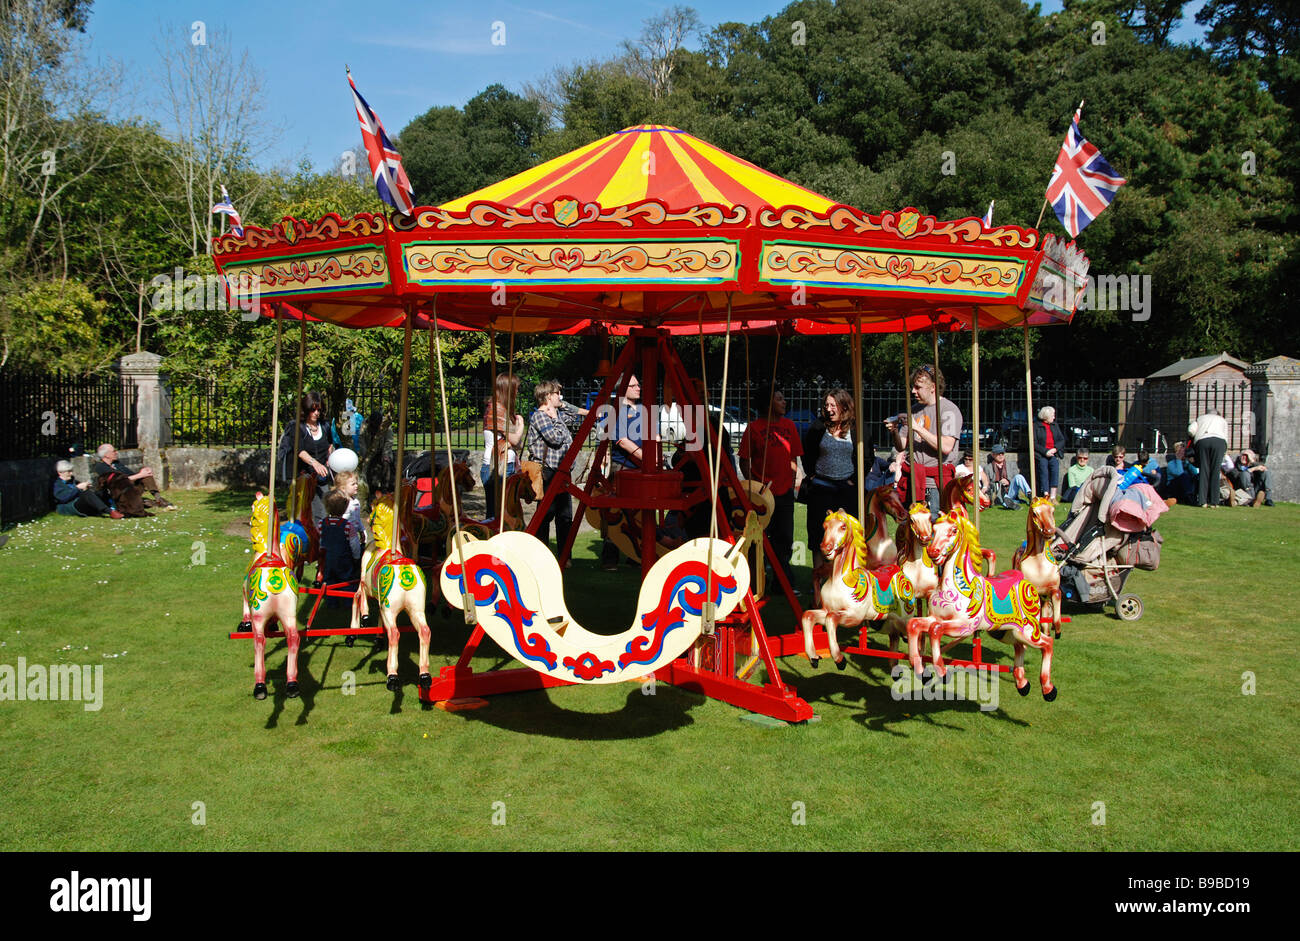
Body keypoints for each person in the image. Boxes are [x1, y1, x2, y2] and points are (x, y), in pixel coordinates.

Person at [739, 385, 803, 593]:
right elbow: (744, 460)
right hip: (762, 495)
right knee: (759, 539)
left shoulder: (790, 426)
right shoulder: (754, 428)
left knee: (784, 538)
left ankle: (782, 583)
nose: (784, 402)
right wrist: (754, 485)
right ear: (768, 403)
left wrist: (792, 480)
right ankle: (757, 582)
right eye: (779, 399)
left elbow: (793, 458)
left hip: (784, 492)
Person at [886, 364, 960, 516]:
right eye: (913, 387)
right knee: (911, 531)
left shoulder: (948, 410)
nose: (913, 391)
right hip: (914, 481)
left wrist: (918, 428)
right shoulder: (914, 410)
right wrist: (893, 431)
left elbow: (946, 446)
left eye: (918, 387)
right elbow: (902, 446)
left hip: (935, 485)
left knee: (933, 531)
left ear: (932, 387)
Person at [802, 388, 859, 585]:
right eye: (826, 405)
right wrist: (811, 474)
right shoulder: (819, 427)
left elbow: (866, 455)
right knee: (819, 535)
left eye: (833, 405)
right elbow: (807, 451)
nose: (829, 409)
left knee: (845, 534)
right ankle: (818, 583)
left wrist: (855, 479)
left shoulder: (856, 428)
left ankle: (843, 580)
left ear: (844, 406)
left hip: (846, 490)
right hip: (821, 488)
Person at [526, 379, 575, 557]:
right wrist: (556, 420)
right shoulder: (540, 416)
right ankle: (542, 554)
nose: (560, 396)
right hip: (548, 471)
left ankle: (564, 555)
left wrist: (560, 406)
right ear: (548, 395)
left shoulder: (557, 413)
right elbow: (555, 438)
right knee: (546, 513)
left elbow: (575, 415)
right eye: (557, 394)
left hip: (562, 472)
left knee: (565, 516)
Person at [601, 374, 645, 570]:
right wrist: (646, 456)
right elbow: (621, 440)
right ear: (622, 388)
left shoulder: (644, 410)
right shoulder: (614, 410)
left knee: (639, 513)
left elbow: (655, 434)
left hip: (642, 468)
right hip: (623, 467)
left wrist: (655, 453)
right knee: (616, 512)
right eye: (633, 385)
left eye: (638, 384)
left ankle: (635, 556)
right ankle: (610, 557)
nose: (639, 387)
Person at [481, 375, 524, 519]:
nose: (517, 392)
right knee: (496, 516)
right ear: (508, 389)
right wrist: (521, 426)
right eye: (516, 389)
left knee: (506, 515)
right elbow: (515, 439)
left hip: (506, 464)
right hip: (497, 467)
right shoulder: (496, 410)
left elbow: (516, 445)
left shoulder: (504, 411)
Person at [91, 443, 175, 513]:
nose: (116, 452)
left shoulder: (116, 463)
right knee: (139, 501)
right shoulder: (101, 467)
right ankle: (151, 503)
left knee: (146, 475)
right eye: (114, 451)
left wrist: (142, 472)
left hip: (128, 486)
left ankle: (158, 498)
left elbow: (130, 474)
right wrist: (140, 475)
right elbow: (118, 481)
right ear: (106, 455)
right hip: (117, 491)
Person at [277, 392, 334, 488]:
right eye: (313, 410)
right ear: (306, 409)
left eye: (319, 410)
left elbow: (330, 444)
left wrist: (329, 457)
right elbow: (299, 450)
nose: (316, 413)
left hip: (321, 477)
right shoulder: (296, 426)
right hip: (300, 477)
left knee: (323, 502)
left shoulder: (325, 426)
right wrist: (315, 463)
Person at [317, 490, 361, 608]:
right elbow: (354, 544)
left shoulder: (322, 523)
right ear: (345, 507)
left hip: (327, 558)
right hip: (344, 559)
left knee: (329, 580)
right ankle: (348, 602)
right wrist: (357, 557)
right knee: (346, 580)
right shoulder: (347, 526)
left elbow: (320, 540)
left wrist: (320, 553)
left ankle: (332, 603)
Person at [1188, 407, 1229, 508]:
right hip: (1219, 442)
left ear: (1206, 413)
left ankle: (1202, 501)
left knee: (1204, 470)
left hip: (1203, 441)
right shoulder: (1222, 420)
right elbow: (1226, 436)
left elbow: (1191, 430)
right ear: (1217, 413)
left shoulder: (1200, 418)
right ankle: (1214, 502)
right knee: (1215, 470)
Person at [54, 460, 122, 519]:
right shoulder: (57, 484)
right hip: (70, 506)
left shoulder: (73, 480)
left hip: (81, 502)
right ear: (60, 472)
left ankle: (115, 508)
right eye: (68, 472)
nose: (71, 473)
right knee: (86, 493)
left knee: (101, 491)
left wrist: (85, 487)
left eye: (71, 471)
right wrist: (77, 488)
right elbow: (62, 498)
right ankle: (110, 512)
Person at [1033, 405, 1064, 501]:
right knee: (1043, 469)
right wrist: (1045, 451)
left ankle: (1053, 496)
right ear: (1046, 416)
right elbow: (1034, 443)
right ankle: (1045, 494)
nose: (1054, 417)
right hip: (1041, 454)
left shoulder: (1055, 425)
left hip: (1053, 453)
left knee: (1055, 468)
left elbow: (1061, 440)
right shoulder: (1036, 426)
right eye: (1052, 415)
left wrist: (1055, 449)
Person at [986, 444, 1032, 509]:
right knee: (1005, 501)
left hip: (1010, 491)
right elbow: (987, 484)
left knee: (1019, 477)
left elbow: (1016, 480)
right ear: (993, 455)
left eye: (1002, 453)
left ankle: (1030, 495)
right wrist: (999, 483)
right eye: (998, 454)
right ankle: (1009, 503)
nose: (1001, 455)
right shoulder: (988, 468)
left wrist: (1008, 481)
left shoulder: (1011, 464)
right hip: (998, 493)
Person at [1161, 441, 1198, 505]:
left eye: (1184, 451)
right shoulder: (1171, 463)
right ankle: (1190, 498)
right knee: (1184, 476)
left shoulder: (1186, 462)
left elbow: (1195, 472)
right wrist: (1178, 459)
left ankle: (1194, 497)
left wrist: (1190, 463)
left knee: (1197, 477)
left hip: (1185, 487)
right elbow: (1179, 473)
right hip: (1173, 487)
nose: (1183, 453)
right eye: (1181, 452)